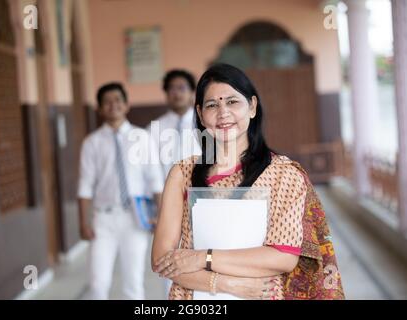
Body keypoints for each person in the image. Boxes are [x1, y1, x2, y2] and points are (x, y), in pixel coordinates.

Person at [151, 64, 344, 300]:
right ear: (201, 115)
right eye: (212, 105)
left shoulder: (283, 174)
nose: (223, 113)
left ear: (252, 107)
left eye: (232, 102)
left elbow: (283, 256)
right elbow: (162, 260)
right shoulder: (182, 173)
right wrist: (226, 284)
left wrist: (202, 257)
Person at [78, 82, 163, 300]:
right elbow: (85, 185)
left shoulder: (142, 138)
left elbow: (155, 179)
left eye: (117, 100)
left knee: (133, 284)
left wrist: (160, 218)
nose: (112, 105)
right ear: (99, 108)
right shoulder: (92, 143)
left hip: (135, 218)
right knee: (98, 283)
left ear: (126, 105)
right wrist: (84, 222)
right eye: (106, 102)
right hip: (103, 220)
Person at [147, 69, 201, 297]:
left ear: (191, 93)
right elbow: (152, 170)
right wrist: (161, 206)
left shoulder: (204, 123)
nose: (177, 93)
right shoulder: (155, 128)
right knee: (168, 259)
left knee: (201, 256)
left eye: (182, 88)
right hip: (168, 203)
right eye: (172, 89)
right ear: (166, 94)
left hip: (201, 200)